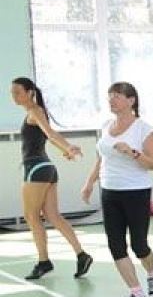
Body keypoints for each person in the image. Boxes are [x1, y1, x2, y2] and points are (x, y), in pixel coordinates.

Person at [81, 83, 153, 297]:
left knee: (139, 245)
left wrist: (132, 152)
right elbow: (102, 158)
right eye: (110, 96)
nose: (111, 100)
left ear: (131, 101)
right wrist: (90, 182)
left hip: (136, 191)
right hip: (109, 191)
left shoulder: (143, 129)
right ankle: (136, 293)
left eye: (117, 96)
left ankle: (151, 274)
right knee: (115, 245)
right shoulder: (106, 126)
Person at [10, 77, 93, 280]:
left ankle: (44, 261)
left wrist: (68, 147)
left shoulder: (34, 111)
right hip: (47, 168)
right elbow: (50, 135)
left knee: (31, 216)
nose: (14, 96)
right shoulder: (36, 112)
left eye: (18, 92)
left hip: (36, 169)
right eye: (12, 93)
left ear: (30, 92)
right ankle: (81, 255)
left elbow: (50, 133)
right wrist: (66, 149)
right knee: (52, 216)